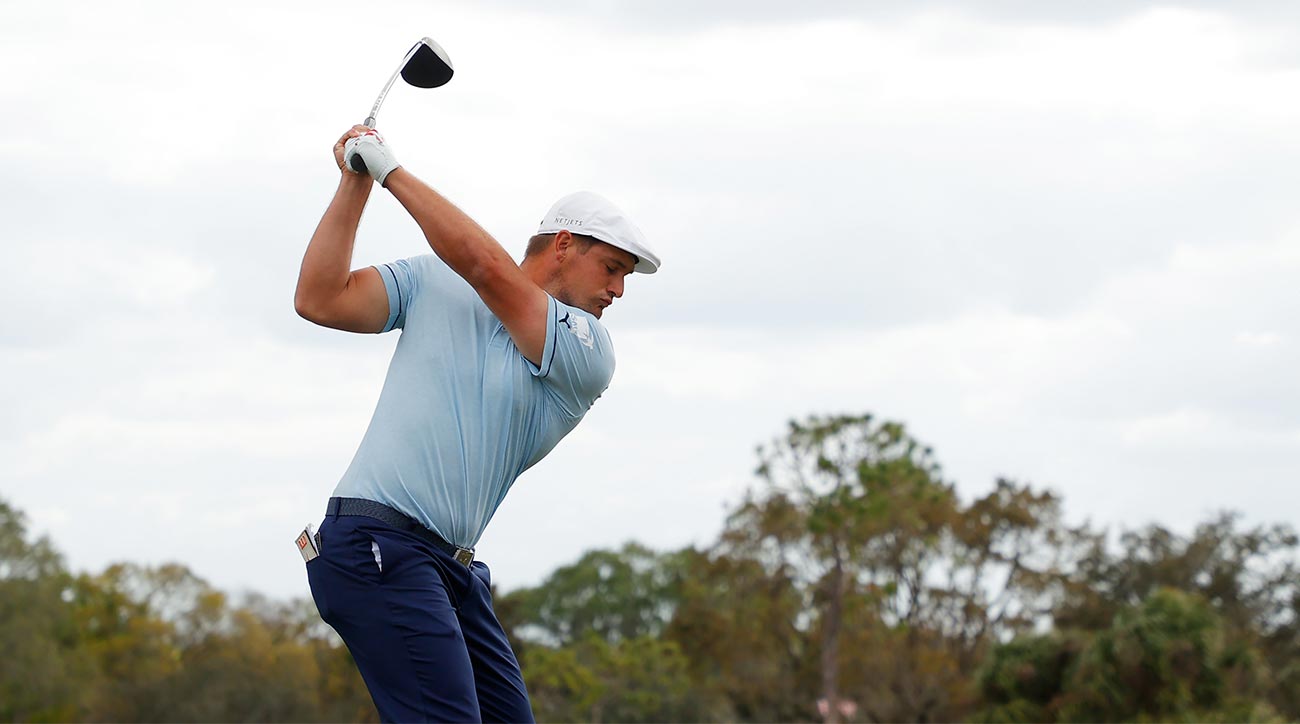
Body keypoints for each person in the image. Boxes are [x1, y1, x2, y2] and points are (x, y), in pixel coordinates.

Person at [294, 125, 660, 723]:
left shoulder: (588, 350)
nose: (618, 290)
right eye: (611, 268)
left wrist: (392, 171)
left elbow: (488, 270)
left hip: (451, 568)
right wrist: (355, 183)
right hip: (375, 543)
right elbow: (319, 297)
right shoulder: (435, 281)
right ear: (564, 245)